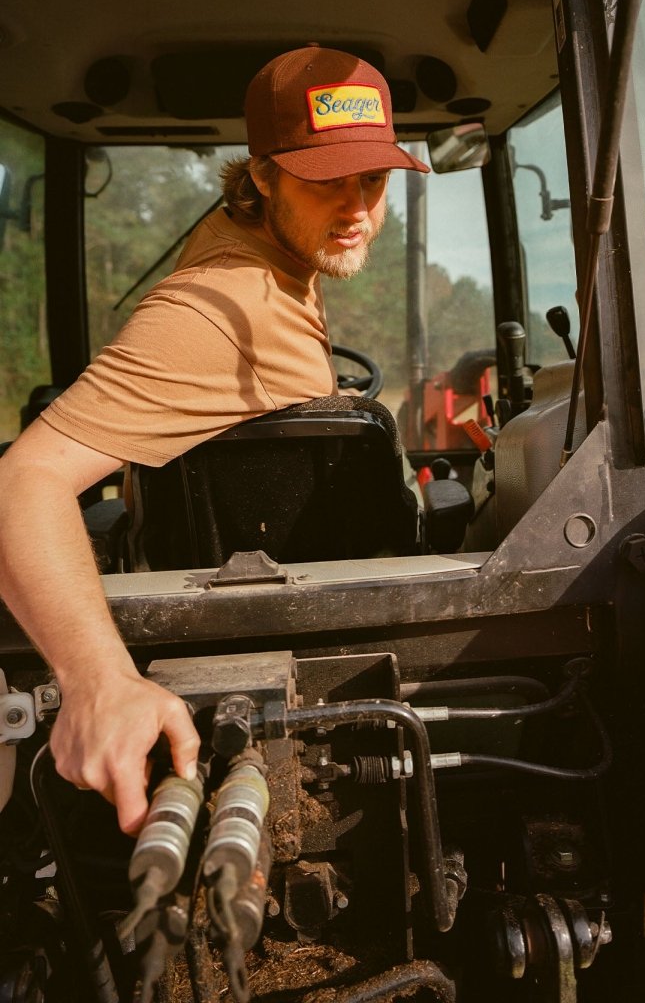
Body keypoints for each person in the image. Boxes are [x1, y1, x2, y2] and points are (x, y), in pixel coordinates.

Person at [0, 45, 428, 834]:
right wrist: (97, 681)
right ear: (263, 175)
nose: (358, 207)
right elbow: (21, 483)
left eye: (372, 178)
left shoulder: (276, 251)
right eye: (325, 178)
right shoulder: (213, 304)